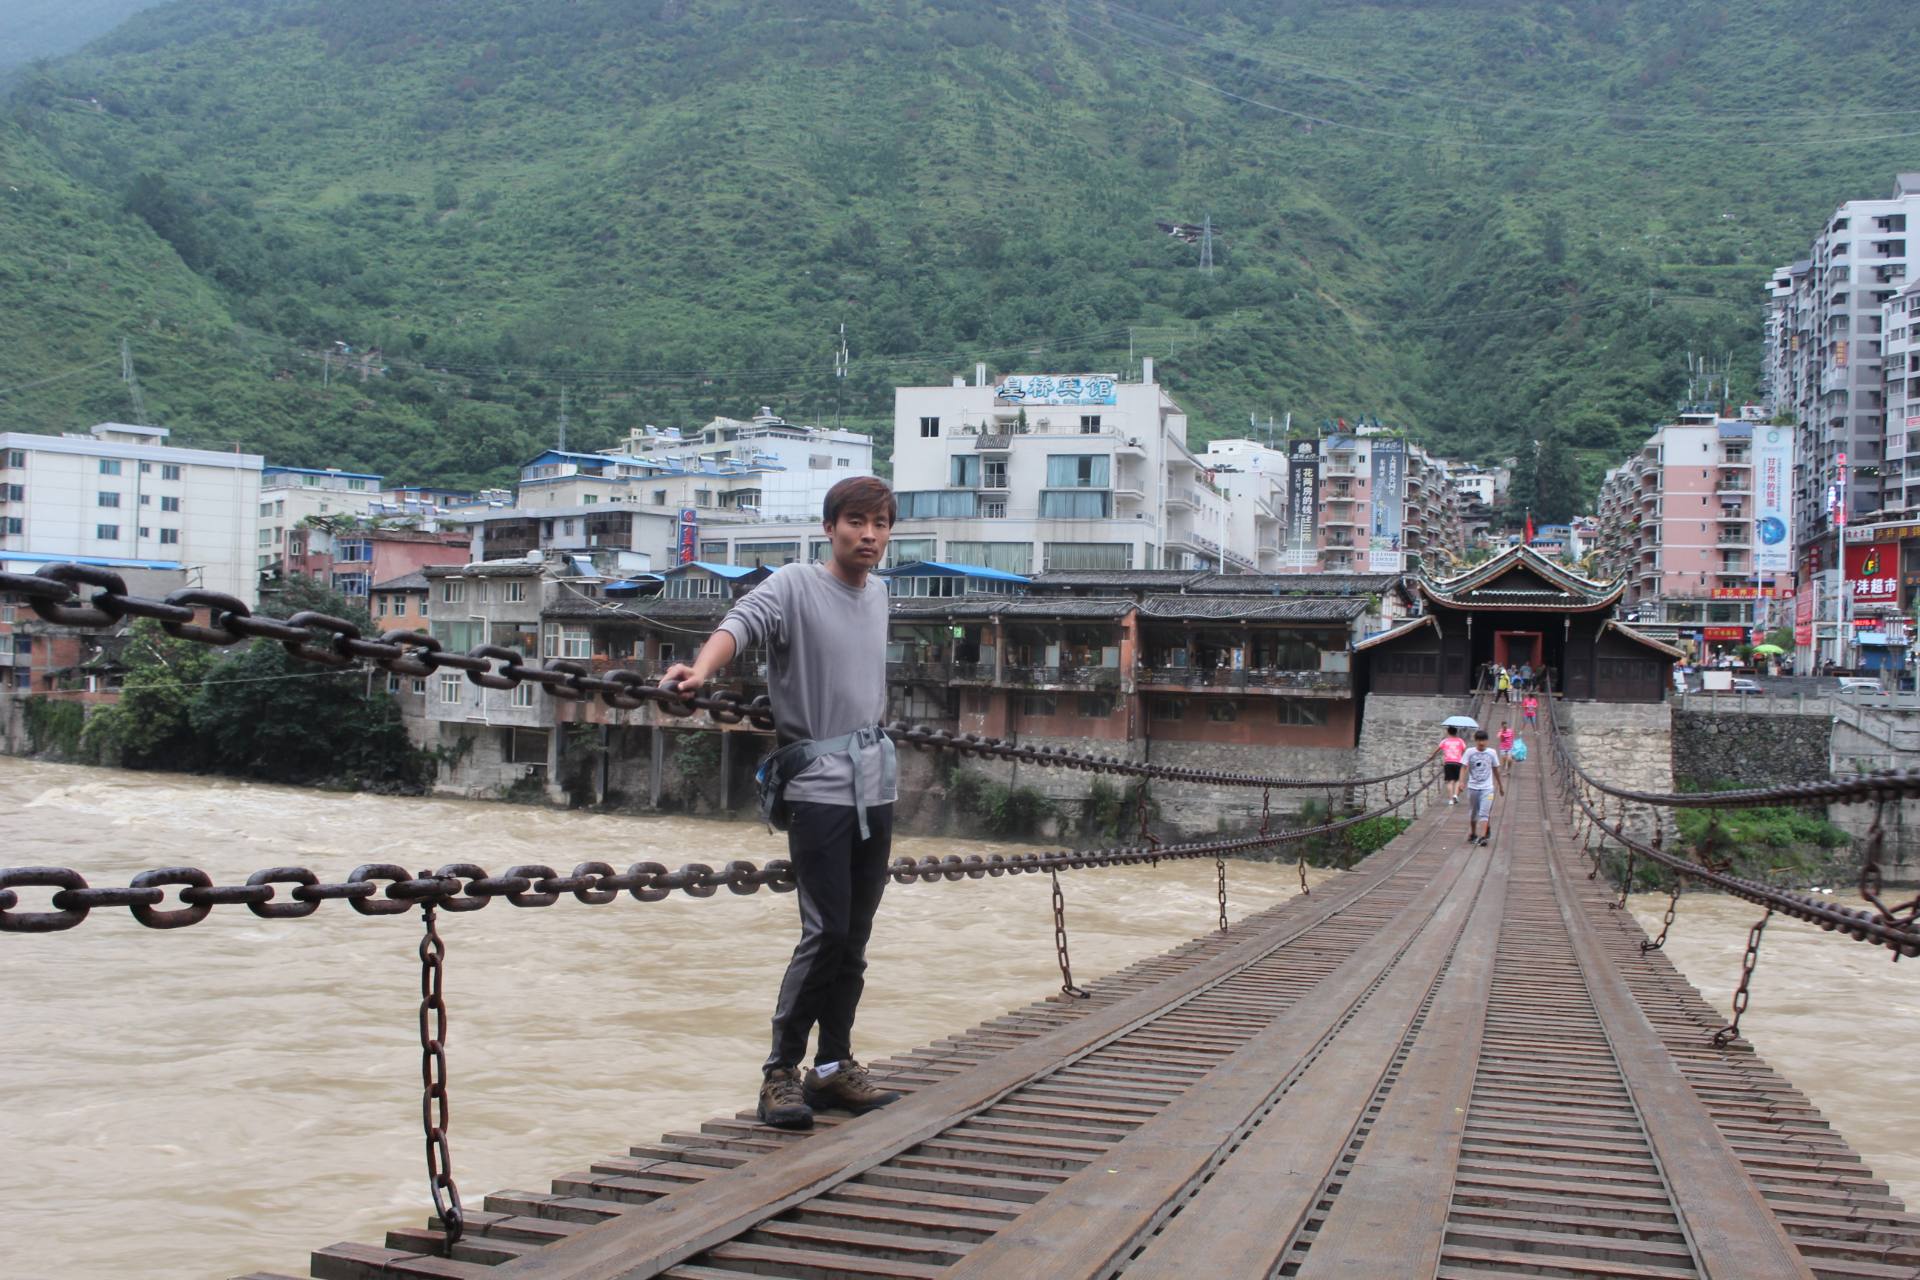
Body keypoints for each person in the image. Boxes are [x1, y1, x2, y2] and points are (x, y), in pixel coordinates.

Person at [661, 476, 903, 1132]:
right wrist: (702, 672)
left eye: (881, 523)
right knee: (824, 931)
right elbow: (740, 625)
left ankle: (834, 1067)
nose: (870, 535)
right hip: (819, 788)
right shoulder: (795, 585)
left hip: (875, 786)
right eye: (856, 521)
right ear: (830, 527)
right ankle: (781, 1072)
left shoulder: (880, 594)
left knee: (854, 936)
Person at [1462, 730, 1504, 847]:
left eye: (1483, 740)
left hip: (1488, 788)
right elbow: (1463, 767)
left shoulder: (1492, 753)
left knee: (1484, 813)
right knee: (1473, 813)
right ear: (1476, 741)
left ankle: (1483, 837)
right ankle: (1474, 833)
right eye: (1479, 740)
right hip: (1473, 787)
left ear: (1487, 741)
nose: (1481, 743)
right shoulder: (1470, 752)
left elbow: (1496, 769)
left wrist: (1500, 785)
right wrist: (1461, 782)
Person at [1439, 725, 1468, 805]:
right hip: (1458, 762)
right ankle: (1455, 795)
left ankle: (1451, 800)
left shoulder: (1445, 741)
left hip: (1448, 763)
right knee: (1458, 780)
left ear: (1448, 732)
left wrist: (1430, 757)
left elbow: (1437, 749)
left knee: (1450, 781)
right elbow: (1465, 751)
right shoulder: (1460, 741)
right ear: (1456, 732)